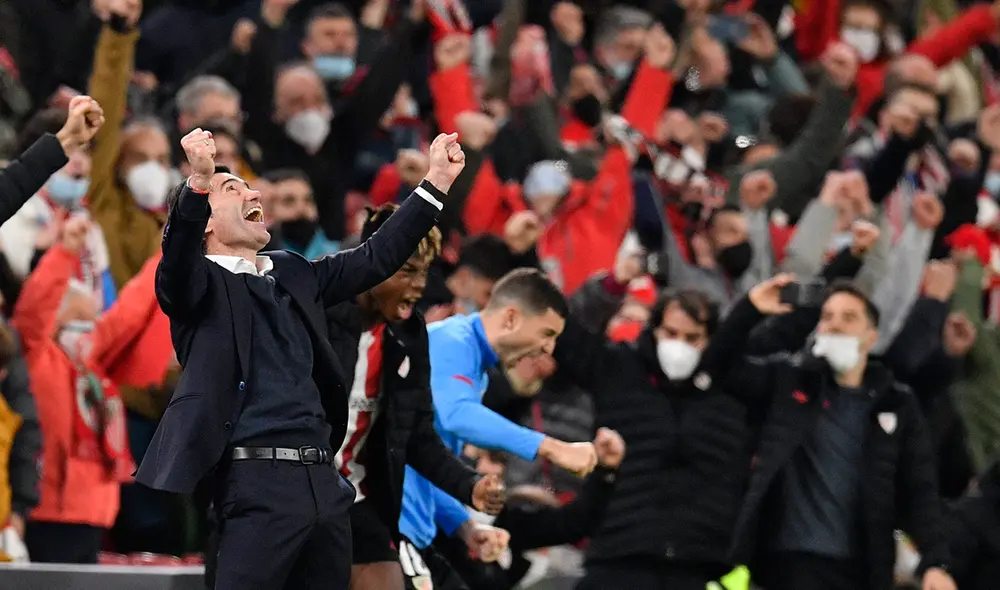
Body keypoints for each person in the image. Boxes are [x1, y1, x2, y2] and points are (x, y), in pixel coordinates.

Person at [135, 128, 466, 590]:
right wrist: (199, 181)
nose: (252, 193)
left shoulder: (291, 271)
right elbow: (175, 261)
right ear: (205, 222)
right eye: (233, 189)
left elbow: (374, 258)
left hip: (324, 486)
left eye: (249, 187)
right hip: (255, 480)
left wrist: (435, 183)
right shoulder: (196, 286)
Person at [715, 280, 957, 590]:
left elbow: (919, 489)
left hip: (859, 571)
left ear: (871, 338)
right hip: (783, 565)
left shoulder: (896, 404)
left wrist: (935, 561)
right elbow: (721, 367)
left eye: (848, 317)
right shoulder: (788, 383)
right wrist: (749, 310)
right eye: (827, 317)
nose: (834, 325)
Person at [325, 203, 506, 590]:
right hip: (289, 498)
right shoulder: (316, 314)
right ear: (371, 261)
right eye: (407, 271)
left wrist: (469, 485)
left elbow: (419, 436)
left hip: (354, 499)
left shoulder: (408, 337)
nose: (420, 286)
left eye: (425, 272)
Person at [399, 268, 597, 587]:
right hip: (387, 523)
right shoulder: (453, 341)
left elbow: (429, 461)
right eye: (547, 334)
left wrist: (466, 527)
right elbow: (457, 415)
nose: (549, 349)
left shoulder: (476, 369)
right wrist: (552, 447)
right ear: (510, 319)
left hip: (414, 528)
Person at [0, 95, 104, 229]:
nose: (78, 161)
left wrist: (69, 139)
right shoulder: (18, 217)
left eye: (85, 152)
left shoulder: (87, 222)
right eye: (73, 151)